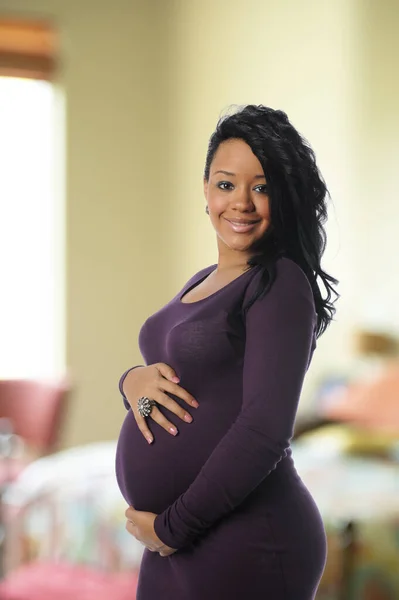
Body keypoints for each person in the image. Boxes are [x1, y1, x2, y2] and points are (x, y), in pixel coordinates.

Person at [115, 104, 338, 600]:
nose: (241, 202)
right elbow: (179, 379)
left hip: (248, 540)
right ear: (205, 190)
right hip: (182, 545)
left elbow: (264, 432)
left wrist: (173, 527)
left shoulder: (278, 283)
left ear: (284, 196)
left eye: (261, 187)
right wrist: (130, 382)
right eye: (225, 184)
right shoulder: (205, 280)